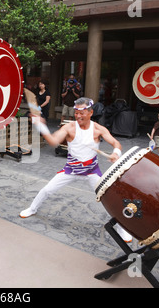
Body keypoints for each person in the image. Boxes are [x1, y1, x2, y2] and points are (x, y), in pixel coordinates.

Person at [19, 97, 133, 242]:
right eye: (76, 112)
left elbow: (116, 143)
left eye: (82, 112)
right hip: (71, 169)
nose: (78, 116)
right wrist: (41, 126)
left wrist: (116, 153)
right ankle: (32, 209)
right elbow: (53, 141)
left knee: (108, 198)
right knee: (47, 189)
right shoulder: (69, 127)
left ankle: (122, 228)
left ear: (90, 112)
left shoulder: (98, 129)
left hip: (92, 171)